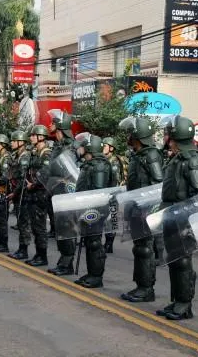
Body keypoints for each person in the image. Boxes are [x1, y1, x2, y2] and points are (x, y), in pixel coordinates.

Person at [156, 115, 198, 321]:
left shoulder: (192, 159)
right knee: (175, 260)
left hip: (184, 219)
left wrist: (191, 223)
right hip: (172, 217)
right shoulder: (177, 157)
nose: (166, 137)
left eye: (168, 133)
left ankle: (185, 304)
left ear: (176, 136)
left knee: (183, 262)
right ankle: (177, 300)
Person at [118, 117, 164, 303]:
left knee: (145, 249)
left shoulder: (151, 155)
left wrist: (148, 208)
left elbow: (158, 183)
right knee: (139, 249)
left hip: (146, 210)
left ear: (138, 135)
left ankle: (146, 289)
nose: (128, 136)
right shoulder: (138, 155)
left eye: (131, 133)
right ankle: (140, 285)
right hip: (136, 209)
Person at [74, 134, 117, 288]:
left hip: (95, 209)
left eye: (83, 146)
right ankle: (91, 273)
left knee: (94, 243)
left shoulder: (99, 165)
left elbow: (98, 192)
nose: (80, 149)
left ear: (89, 148)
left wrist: (89, 209)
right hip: (88, 209)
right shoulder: (91, 164)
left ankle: (96, 276)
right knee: (89, 240)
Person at [46, 109, 77, 276]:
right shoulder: (59, 146)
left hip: (67, 193)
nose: (53, 131)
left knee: (67, 229)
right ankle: (63, 261)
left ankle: (67, 263)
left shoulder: (72, 147)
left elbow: (70, 171)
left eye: (56, 129)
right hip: (56, 192)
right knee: (60, 229)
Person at [24, 125, 51, 267]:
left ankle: (43, 256)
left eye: (34, 135)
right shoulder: (35, 152)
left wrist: (33, 185)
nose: (31, 137)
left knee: (39, 227)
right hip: (33, 193)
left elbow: (45, 175)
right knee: (35, 226)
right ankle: (38, 254)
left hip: (40, 194)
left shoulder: (46, 153)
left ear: (41, 137)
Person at [8, 130, 32, 260]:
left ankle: (24, 250)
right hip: (17, 193)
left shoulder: (24, 156)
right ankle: (21, 249)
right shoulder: (17, 155)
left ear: (21, 142)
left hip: (23, 194)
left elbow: (22, 179)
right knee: (20, 222)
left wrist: (14, 193)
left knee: (23, 223)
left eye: (13, 141)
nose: (11, 143)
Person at [102, 136, 125, 253]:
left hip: (113, 194)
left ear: (111, 148)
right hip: (105, 193)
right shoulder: (105, 159)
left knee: (111, 219)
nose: (102, 147)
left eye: (105, 146)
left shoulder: (114, 161)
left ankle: (109, 244)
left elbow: (114, 180)